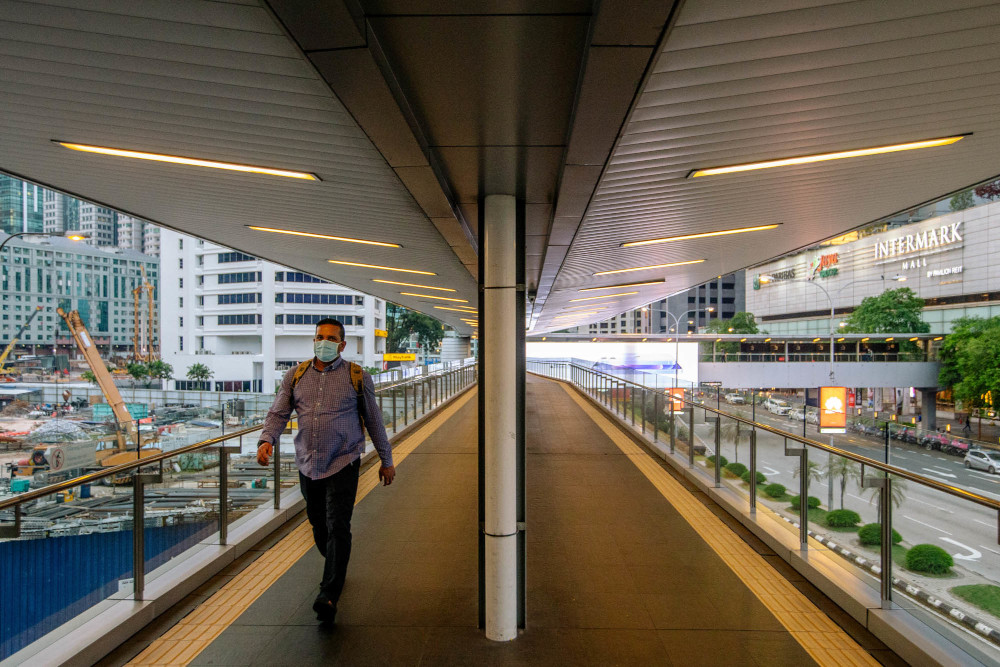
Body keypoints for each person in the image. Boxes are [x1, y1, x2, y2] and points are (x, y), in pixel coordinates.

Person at [256, 318, 395, 625]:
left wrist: (386, 460)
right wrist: (267, 440)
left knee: (337, 525)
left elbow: (373, 421)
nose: (324, 342)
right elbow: (279, 412)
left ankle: (329, 594)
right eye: (320, 337)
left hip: (343, 461)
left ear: (342, 345)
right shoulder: (296, 375)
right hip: (308, 463)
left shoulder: (357, 377)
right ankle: (335, 563)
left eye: (331, 338)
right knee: (319, 524)